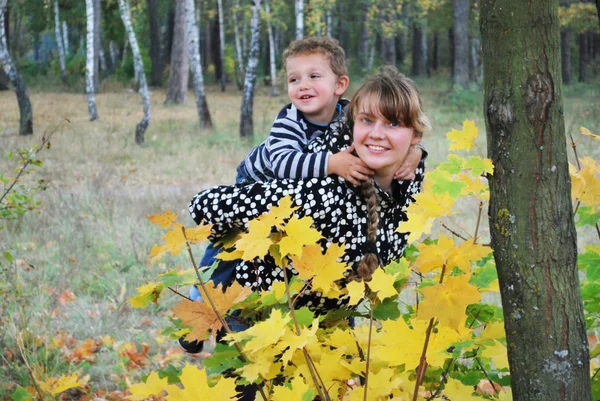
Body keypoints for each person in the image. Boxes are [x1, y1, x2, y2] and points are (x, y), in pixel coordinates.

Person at [188, 38, 425, 308]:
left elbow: (382, 127)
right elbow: (282, 164)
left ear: (340, 85)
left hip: (322, 298)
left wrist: (415, 153)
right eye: (294, 79)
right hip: (262, 177)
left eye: (314, 76)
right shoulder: (289, 123)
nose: (303, 85)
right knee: (229, 245)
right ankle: (202, 297)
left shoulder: (349, 116)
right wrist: (332, 164)